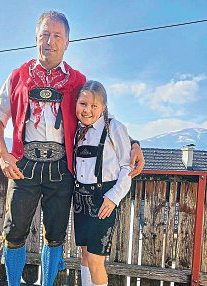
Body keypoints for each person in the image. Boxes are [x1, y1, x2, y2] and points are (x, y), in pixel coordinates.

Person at [0, 11, 144, 286]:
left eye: (57, 36)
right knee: (13, 233)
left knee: (55, 234)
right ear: (36, 39)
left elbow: (100, 114)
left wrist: (133, 144)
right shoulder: (17, 77)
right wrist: (2, 154)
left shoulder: (77, 80)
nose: (50, 41)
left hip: (62, 168)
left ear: (67, 42)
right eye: (45, 35)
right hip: (23, 165)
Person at [73, 80, 132, 286]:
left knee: (96, 260)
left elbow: (127, 167)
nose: (88, 110)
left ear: (104, 107)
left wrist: (114, 197)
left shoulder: (114, 127)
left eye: (94, 106)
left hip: (103, 198)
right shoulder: (77, 128)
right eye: (83, 104)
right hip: (80, 197)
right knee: (84, 253)